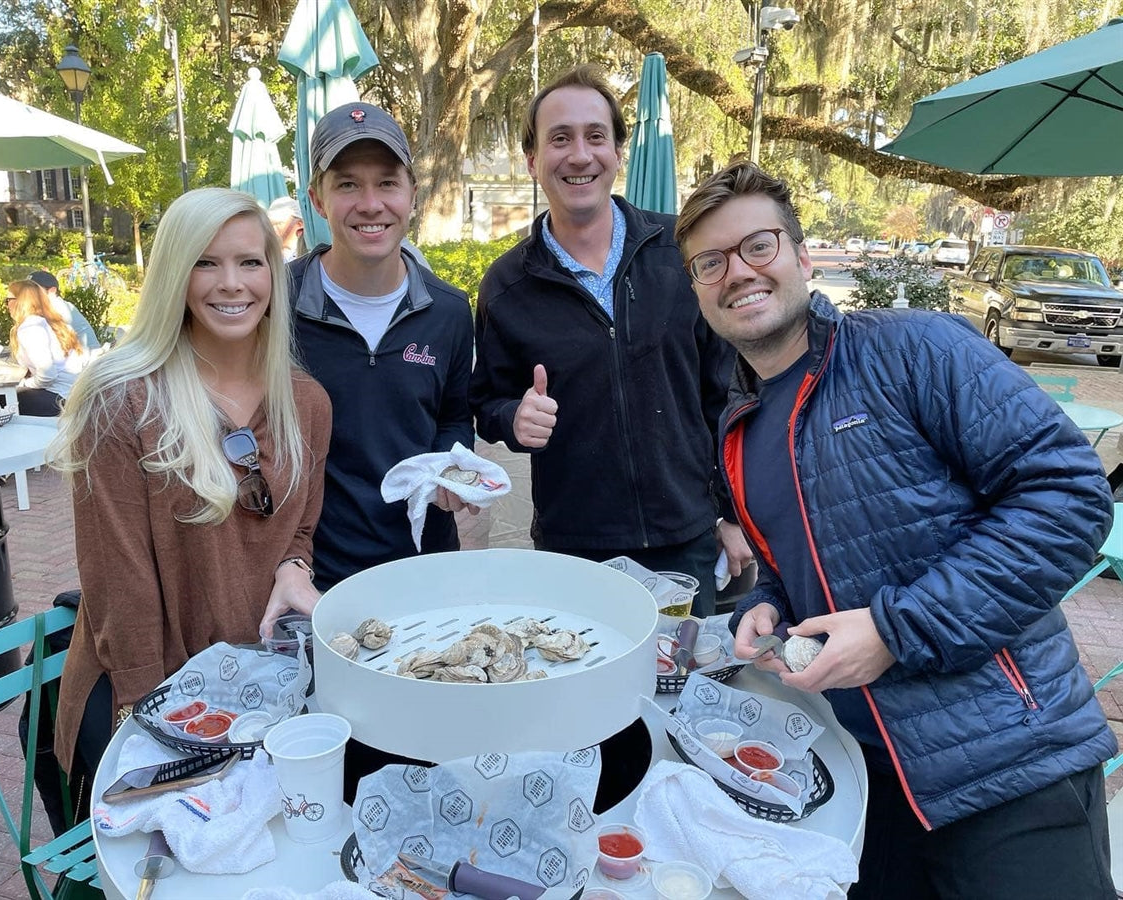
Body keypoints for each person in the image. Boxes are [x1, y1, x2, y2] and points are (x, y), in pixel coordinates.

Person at [674, 161, 1117, 898]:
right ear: (697, 290)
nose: (737, 274)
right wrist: (774, 604)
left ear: (802, 256)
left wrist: (894, 631)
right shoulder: (739, 426)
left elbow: (1068, 496)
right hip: (862, 783)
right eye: (710, 263)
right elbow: (803, 556)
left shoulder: (916, 349)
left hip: (1007, 771)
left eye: (758, 246)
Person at [49, 187, 332, 808]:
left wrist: (293, 565)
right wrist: (149, 720)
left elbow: (300, 527)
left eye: (250, 262)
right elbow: (116, 577)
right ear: (174, 273)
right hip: (154, 692)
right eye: (206, 262)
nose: (231, 283)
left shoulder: (304, 402)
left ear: (274, 274)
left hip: (261, 689)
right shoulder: (122, 399)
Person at [468, 65, 751, 616]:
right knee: (580, 695)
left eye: (596, 136)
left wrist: (734, 515)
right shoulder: (507, 285)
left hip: (686, 538)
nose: (580, 155)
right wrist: (513, 419)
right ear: (532, 161)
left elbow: (730, 394)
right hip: (573, 548)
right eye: (560, 138)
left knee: (683, 689)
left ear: (617, 151)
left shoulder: (682, 252)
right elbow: (486, 403)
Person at [287, 101, 474, 592]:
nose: (371, 204)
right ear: (318, 199)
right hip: (315, 577)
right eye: (347, 184)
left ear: (413, 193)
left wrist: (452, 468)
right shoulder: (278, 304)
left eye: (388, 182)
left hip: (426, 566)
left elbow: (454, 417)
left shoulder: (449, 311)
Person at [6, 280, 89, 416]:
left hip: (57, 398)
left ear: (20, 301)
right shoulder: (54, 322)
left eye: (8, 300)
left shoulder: (31, 327)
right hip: (74, 395)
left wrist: (25, 384)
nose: (7, 305)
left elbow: (47, 375)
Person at [27, 269, 102, 353]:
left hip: (86, 360)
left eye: (34, 290)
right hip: (83, 357)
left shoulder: (55, 308)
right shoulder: (60, 305)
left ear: (52, 291)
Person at [267, 195, 306, 261]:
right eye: (270, 224)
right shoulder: (269, 256)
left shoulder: (308, 256)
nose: (272, 228)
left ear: (299, 224)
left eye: (278, 223)